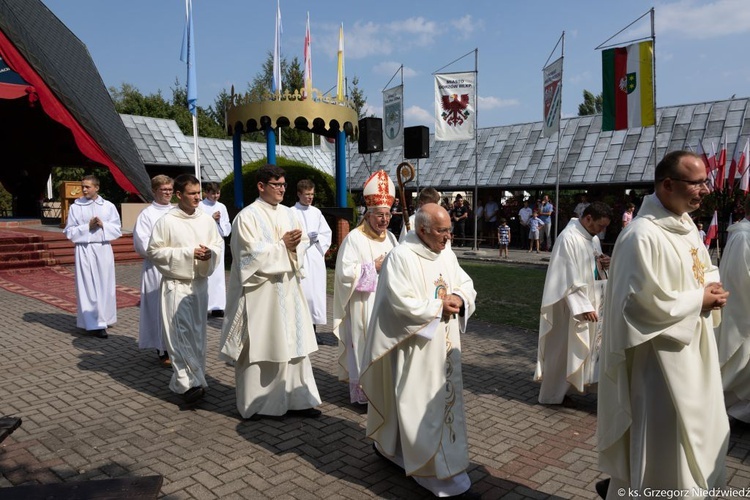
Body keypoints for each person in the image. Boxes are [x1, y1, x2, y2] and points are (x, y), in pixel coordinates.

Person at [597, 151, 730, 498]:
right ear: (668, 184)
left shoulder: (686, 226)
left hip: (695, 349)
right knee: (667, 441)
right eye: (696, 183)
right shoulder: (640, 235)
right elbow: (638, 304)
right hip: (659, 363)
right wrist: (698, 300)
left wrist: (711, 288)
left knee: (701, 432)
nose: (704, 190)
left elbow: (701, 271)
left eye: (705, 182)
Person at [360, 203, 477, 497]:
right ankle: (435, 476)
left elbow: (465, 282)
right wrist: (439, 306)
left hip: (445, 344)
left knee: (437, 406)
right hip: (415, 347)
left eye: (449, 229)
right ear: (422, 229)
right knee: (419, 406)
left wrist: (460, 298)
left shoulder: (445, 253)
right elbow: (398, 303)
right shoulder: (401, 257)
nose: (448, 236)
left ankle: (396, 452)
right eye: (442, 230)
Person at [219, 164, 322, 420]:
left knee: (294, 344)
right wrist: (281, 246)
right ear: (261, 186)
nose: (281, 190)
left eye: (284, 185)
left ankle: (299, 400)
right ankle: (259, 404)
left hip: (288, 288)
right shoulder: (247, 216)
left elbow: (304, 243)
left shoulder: (290, 214)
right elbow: (246, 255)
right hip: (261, 294)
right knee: (264, 345)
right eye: (276, 185)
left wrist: (296, 245)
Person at [147, 174, 224, 403]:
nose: (197, 198)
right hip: (176, 284)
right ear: (179, 195)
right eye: (192, 193)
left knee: (197, 334)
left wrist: (211, 253)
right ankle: (186, 384)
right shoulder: (167, 221)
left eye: (199, 193)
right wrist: (188, 253)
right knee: (178, 335)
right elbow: (154, 252)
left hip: (199, 285)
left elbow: (218, 244)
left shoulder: (206, 219)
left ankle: (195, 378)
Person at [534, 202, 612, 405]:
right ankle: (552, 395)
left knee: (582, 347)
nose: (601, 231)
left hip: (592, 300)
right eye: (600, 226)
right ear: (588, 218)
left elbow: (592, 269)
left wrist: (604, 263)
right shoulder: (568, 238)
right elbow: (566, 276)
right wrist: (582, 307)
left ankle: (571, 388)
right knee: (562, 349)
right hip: (569, 307)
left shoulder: (592, 238)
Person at [333, 170, 399, 404]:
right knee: (364, 346)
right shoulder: (354, 238)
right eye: (380, 215)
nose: (385, 220)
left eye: (388, 215)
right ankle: (364, 396)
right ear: (368, 215)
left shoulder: (391, 238)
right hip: (363, 304)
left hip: (386, 304)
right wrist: (373, 267)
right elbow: (344, 274)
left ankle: (382, 392)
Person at [63, 174, 121, 339]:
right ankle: (94, 323)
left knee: (105, 284)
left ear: (97, 187)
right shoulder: (76, 207)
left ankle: (105, 317)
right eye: (83, 186)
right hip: (84, 248)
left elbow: (117, 228)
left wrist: (104, 225)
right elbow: (69, 231)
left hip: (103, 248)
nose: (84, 189)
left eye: (87, 187)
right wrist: (87, 227)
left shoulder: (108, 206)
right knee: (88, 285)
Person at [714, 196, 750, 423]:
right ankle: (731, 412)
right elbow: (741, 277)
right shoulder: (743, 236)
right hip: (742, 313)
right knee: (740, 363)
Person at [133, 175, 174, 364]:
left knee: (174, 308)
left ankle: (175, 345)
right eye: (163, 189)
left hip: (176, 266)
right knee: (159, 308)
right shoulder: (147, 215)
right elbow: (142, 243)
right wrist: (165, 252)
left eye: (170, 189)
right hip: (157, 268)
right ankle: (162, 348)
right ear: (154, 191)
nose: (167, 193)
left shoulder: (177, 211)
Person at [291, 179, 332, 343]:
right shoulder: (290, 212)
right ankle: (300, 333)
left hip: (315, 257)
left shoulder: (316, 212)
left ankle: (313, 332)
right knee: (302, 294)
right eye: (307, 194)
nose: (310, 198)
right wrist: (305, 239)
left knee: (315, 296)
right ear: (299, 194)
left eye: (312, 195)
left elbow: (326, 233)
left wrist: (317, 239)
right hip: (300, 258)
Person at [198, 182, 232, 318]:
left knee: (218, 275)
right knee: (206, 273)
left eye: (218, 193)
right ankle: (205, 305)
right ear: (206, 193)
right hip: (205, 242)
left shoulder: (221, 206)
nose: (215, 196)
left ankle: (218, 306)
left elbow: (226, 225)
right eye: (212, 193)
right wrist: (211, 220)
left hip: (218, 243)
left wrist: (218, 222)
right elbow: (198, 223)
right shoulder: (200, 206)